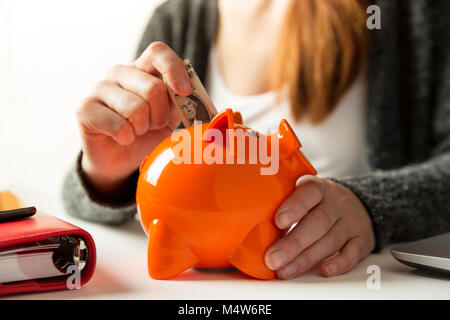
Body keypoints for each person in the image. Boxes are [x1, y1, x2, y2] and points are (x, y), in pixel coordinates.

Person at [63, 0, 450, 279]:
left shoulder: (410, 15)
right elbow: (86, 203)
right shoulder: (178, 20)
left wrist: (371, 208)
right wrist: (108, 174)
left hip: (344, 284)